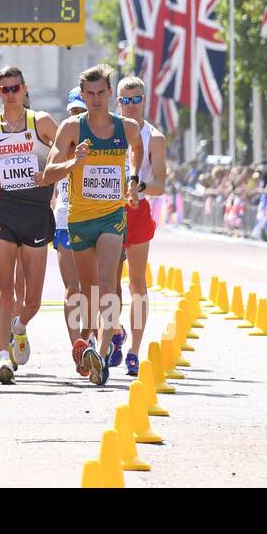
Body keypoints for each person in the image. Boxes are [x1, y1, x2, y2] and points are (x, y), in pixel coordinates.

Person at [42, 66, 142, 387]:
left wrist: (133, 180)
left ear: (110, 93)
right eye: (90, 94)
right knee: (87, 292)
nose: (96, 99)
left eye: (101, 93)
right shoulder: (72, 129)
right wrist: (75, 161)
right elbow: (48, 173)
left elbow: (138, 149)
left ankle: (100, 351)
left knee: (108, 284)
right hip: (80, 219)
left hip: (112, 217)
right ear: (82, 95)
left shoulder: (125, 127)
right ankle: (87, 338)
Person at [0, 66, 58, 385]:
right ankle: (1, 358)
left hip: (37, 211)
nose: (10, 94)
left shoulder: (41, 122)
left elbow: (62, 149)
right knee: (4, 289)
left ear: (24, 89)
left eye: (15, 88)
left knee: (33, 299)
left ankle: (20, 327)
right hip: (5, 213)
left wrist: (49, 171)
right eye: (4, 89)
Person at [114, 76, 167, 377]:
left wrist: (140, 185)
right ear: (117, 101)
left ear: (144, 100)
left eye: (136, 99)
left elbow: (160, 183)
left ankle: (134, 350)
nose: (131, 105)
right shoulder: (105, 130)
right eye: (125, 99)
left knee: (136, 282)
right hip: (106, 211)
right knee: (106, 283)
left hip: (136, 211)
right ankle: (114, 333)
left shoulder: (154, 137)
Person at [53, 89, 88, 373]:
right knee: (73, 289)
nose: (78, 118)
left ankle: (101, 340)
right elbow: (48, 174)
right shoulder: (62, 144)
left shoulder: (107, 140)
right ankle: (78, 345)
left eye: (83, 112)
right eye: (74, 112)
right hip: (66, 221)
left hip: (100, 219)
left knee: (101, 288)